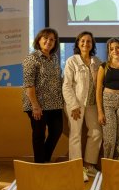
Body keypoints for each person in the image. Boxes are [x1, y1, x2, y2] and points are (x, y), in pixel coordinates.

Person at [62, 31, 102, 182]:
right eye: (83, 41)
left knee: (97, 133)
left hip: (92, 104)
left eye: (89, 41)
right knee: (76, 134)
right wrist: (73, 105)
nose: (86, 44)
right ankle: (76, 168)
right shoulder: (72, 61)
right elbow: (66, 85)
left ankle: (89, 165)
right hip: (76, 104)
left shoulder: (97, 61)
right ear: (78, 44)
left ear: (92, 44)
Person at [22, 27, 64, 163]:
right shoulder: (31, 58)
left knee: (57, 131)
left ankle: (43, 160)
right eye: (45, 38)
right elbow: (29, 84)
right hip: (37, 105)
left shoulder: (54, 58)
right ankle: (40, 164)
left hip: (55, 104)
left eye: (52, 39)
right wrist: (35, 105)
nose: (48, 41)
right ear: (39, 40)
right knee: (39, 135)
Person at [96, 38, 119, 160]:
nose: (115, 50)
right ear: (108, 51)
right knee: (109, 139)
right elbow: (98, 90)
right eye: (111, 48)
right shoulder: (104, 66)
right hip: (107, 102)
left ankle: (118, 166)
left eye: (117, 47)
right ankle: (107, 166)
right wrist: (100, 111)